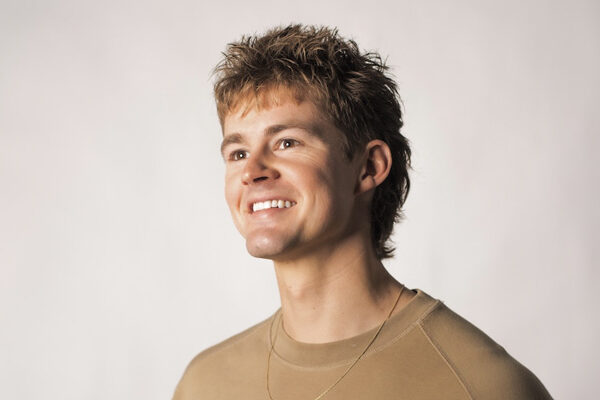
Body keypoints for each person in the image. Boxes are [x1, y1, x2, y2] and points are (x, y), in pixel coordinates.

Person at [173, 24, 551, 400]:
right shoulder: (204, 385)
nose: (252, 171)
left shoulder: (484, 386)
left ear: (369, 166)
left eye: (287, 142)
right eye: (238, 153)